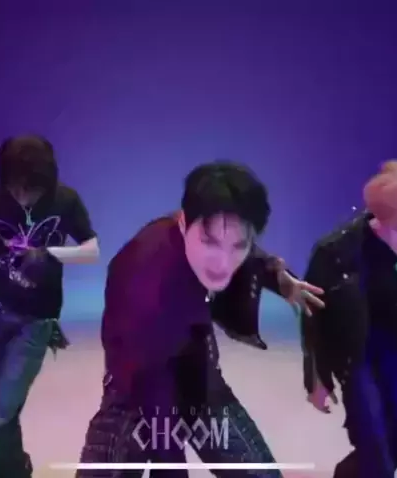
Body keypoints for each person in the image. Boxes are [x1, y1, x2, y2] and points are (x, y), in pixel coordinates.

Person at [77, 161, 324, 477]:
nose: (223, 263)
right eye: (209, 243)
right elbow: (151, 389)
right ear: (183, 224)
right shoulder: (146, 286)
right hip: (135, 387)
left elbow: (243, 245)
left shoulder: (211, 228)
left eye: (237, 247)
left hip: (197, 370)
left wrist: (277, 278)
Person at [0, 135, 99, 477]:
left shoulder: (65, 201)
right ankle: (15, 468)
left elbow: (92, 250)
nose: (24, 196)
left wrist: (50, 253)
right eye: (17, 188)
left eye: (32, 190)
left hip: (36, 324)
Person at [301, 160, 397, 477]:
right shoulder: (335, 250)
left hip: (387, 340)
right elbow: (311, 316)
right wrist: (316, 378)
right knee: (374, 445)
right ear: (380, 218)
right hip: (349, 349)